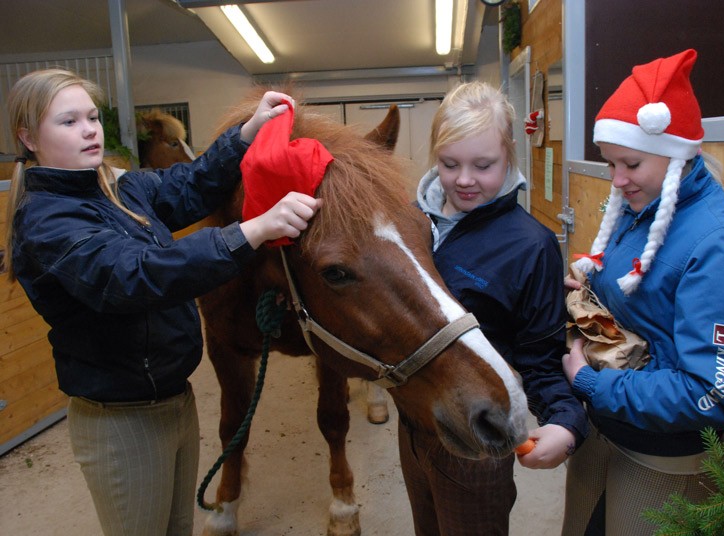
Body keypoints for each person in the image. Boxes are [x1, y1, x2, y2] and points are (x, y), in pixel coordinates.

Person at [4, 68, 322, 536]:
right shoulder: (48, 221)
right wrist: (252, 231)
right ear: (28, 137)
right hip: (123, 420)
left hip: (173, 399)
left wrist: (247, 134)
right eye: (69, 122)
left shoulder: (117, 189)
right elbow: (133, 275)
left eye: (92, 117)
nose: (90, 130)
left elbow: (190, 184)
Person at [561, 49, 724, 535]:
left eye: (630, 163)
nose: (617, 180)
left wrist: (593, 384)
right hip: (608, 425)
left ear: (676, 154)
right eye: (610, 163)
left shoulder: (718, 248)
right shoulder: (645, 205)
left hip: (662, 454)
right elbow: (647, 302)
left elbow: (713, 392)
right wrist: (590, 297)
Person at [399, 80, 589, 536]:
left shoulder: (531, 246)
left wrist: (567, 423)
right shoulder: (409, 222)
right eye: (449, 164)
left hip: (476, 433)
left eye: (483, 165)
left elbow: (540, 358)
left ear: (508, 157)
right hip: (413, 422)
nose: (464, 179)